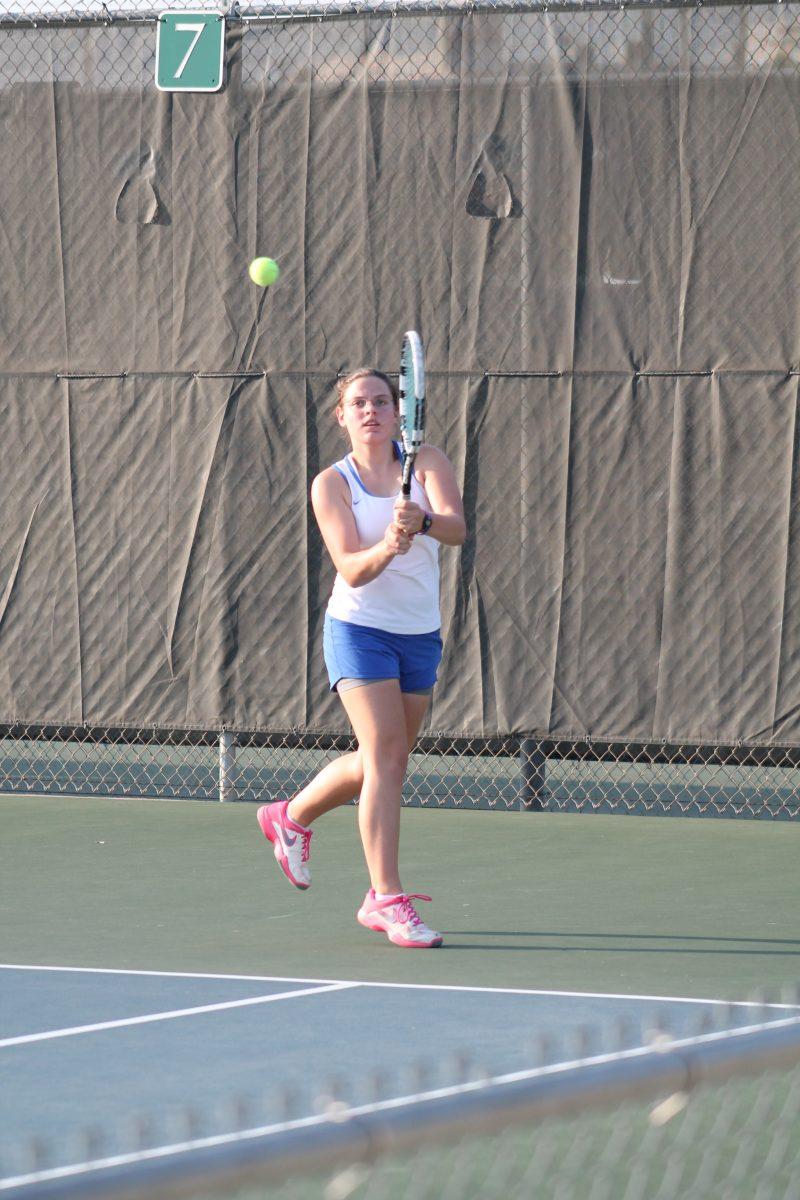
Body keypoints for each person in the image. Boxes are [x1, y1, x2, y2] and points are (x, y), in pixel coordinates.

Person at [256, 367, 466, 948]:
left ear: (399, 412)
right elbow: (350, 567)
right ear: (342, 417)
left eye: (381, 401)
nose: (371, 410)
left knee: (385, 760)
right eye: (359, 404)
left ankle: (289, 816)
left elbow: (456, 529)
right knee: (388, 759)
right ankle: (385, 898)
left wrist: (422, 523)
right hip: (358, 628)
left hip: (419, 633)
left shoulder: (426, 464)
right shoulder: (331, 483)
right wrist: (387, 546)